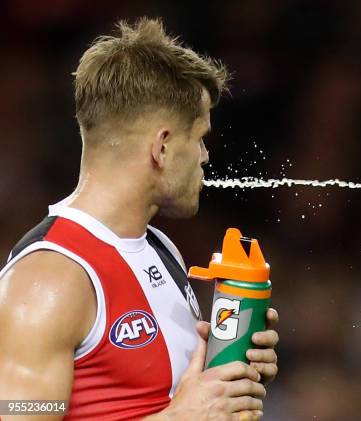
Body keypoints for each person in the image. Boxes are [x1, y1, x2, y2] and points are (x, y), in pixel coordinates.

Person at [0, 18, 278, 421]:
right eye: (199, 137)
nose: (204, 157)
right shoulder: (49, 280)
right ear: (162, 147)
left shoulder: (161, 248)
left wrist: (231, 376)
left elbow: (161, 397)